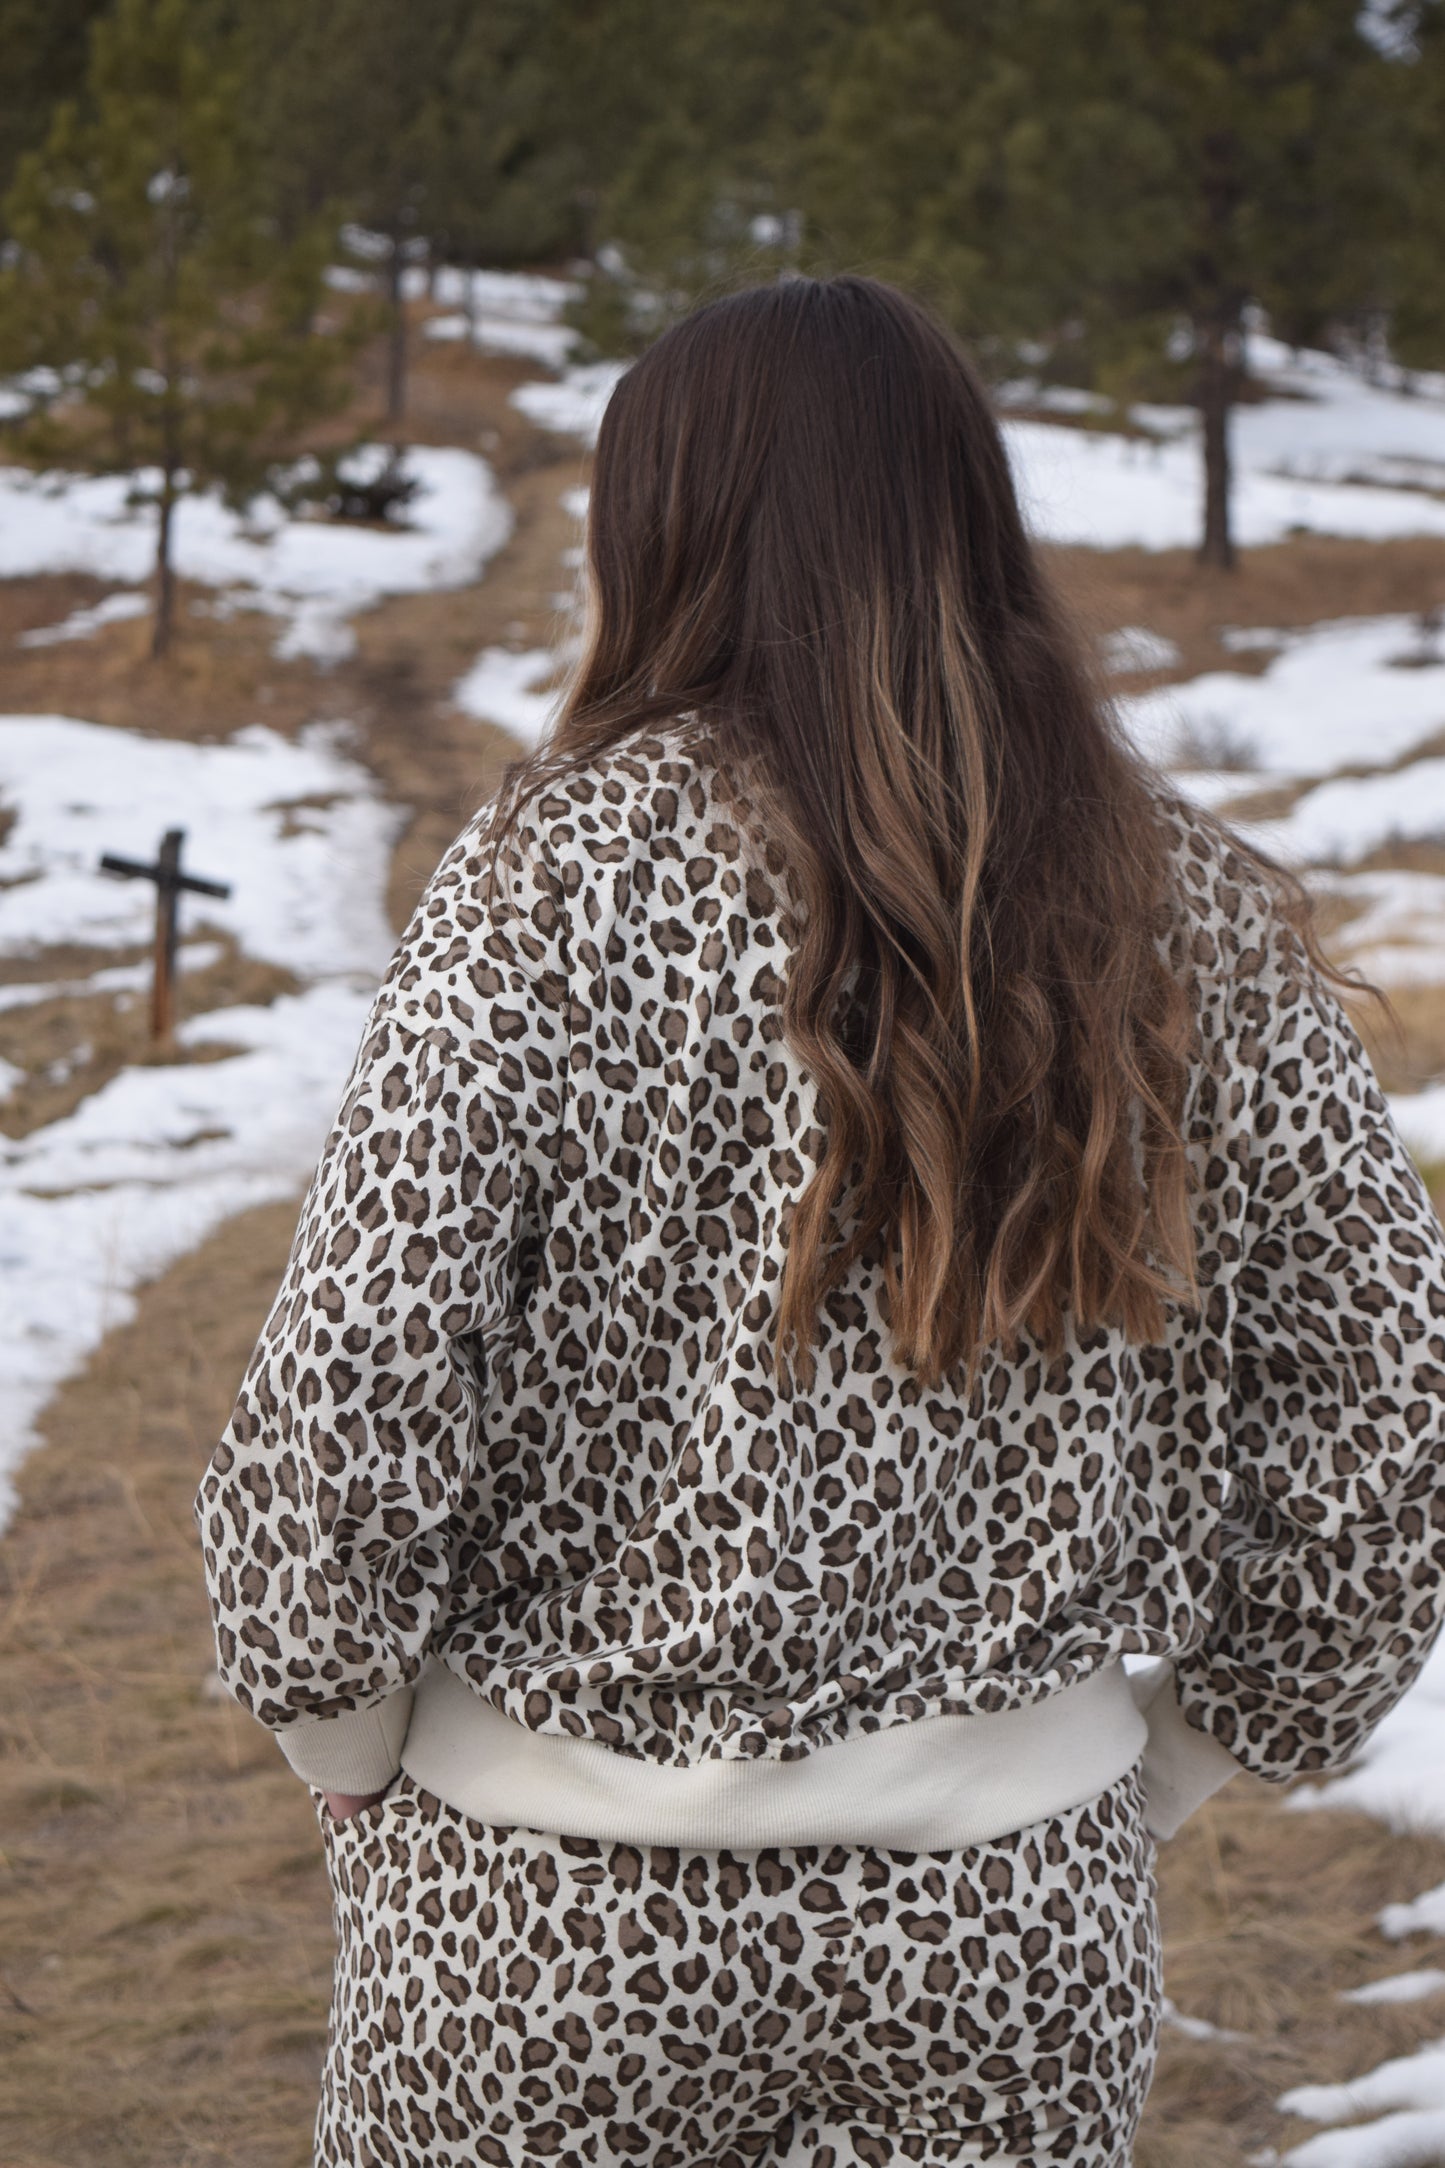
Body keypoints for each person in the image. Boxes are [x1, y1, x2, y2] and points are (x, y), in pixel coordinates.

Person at [195, 274, 1445, 2168]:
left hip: (542, 1928)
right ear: (966, 513)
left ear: (661, 524)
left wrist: (342, 1739)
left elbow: (354, 1376)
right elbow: (1388, 1388)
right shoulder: (1164, 895)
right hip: (1006, 1932)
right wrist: (1178, 1757)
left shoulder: (547, 880)